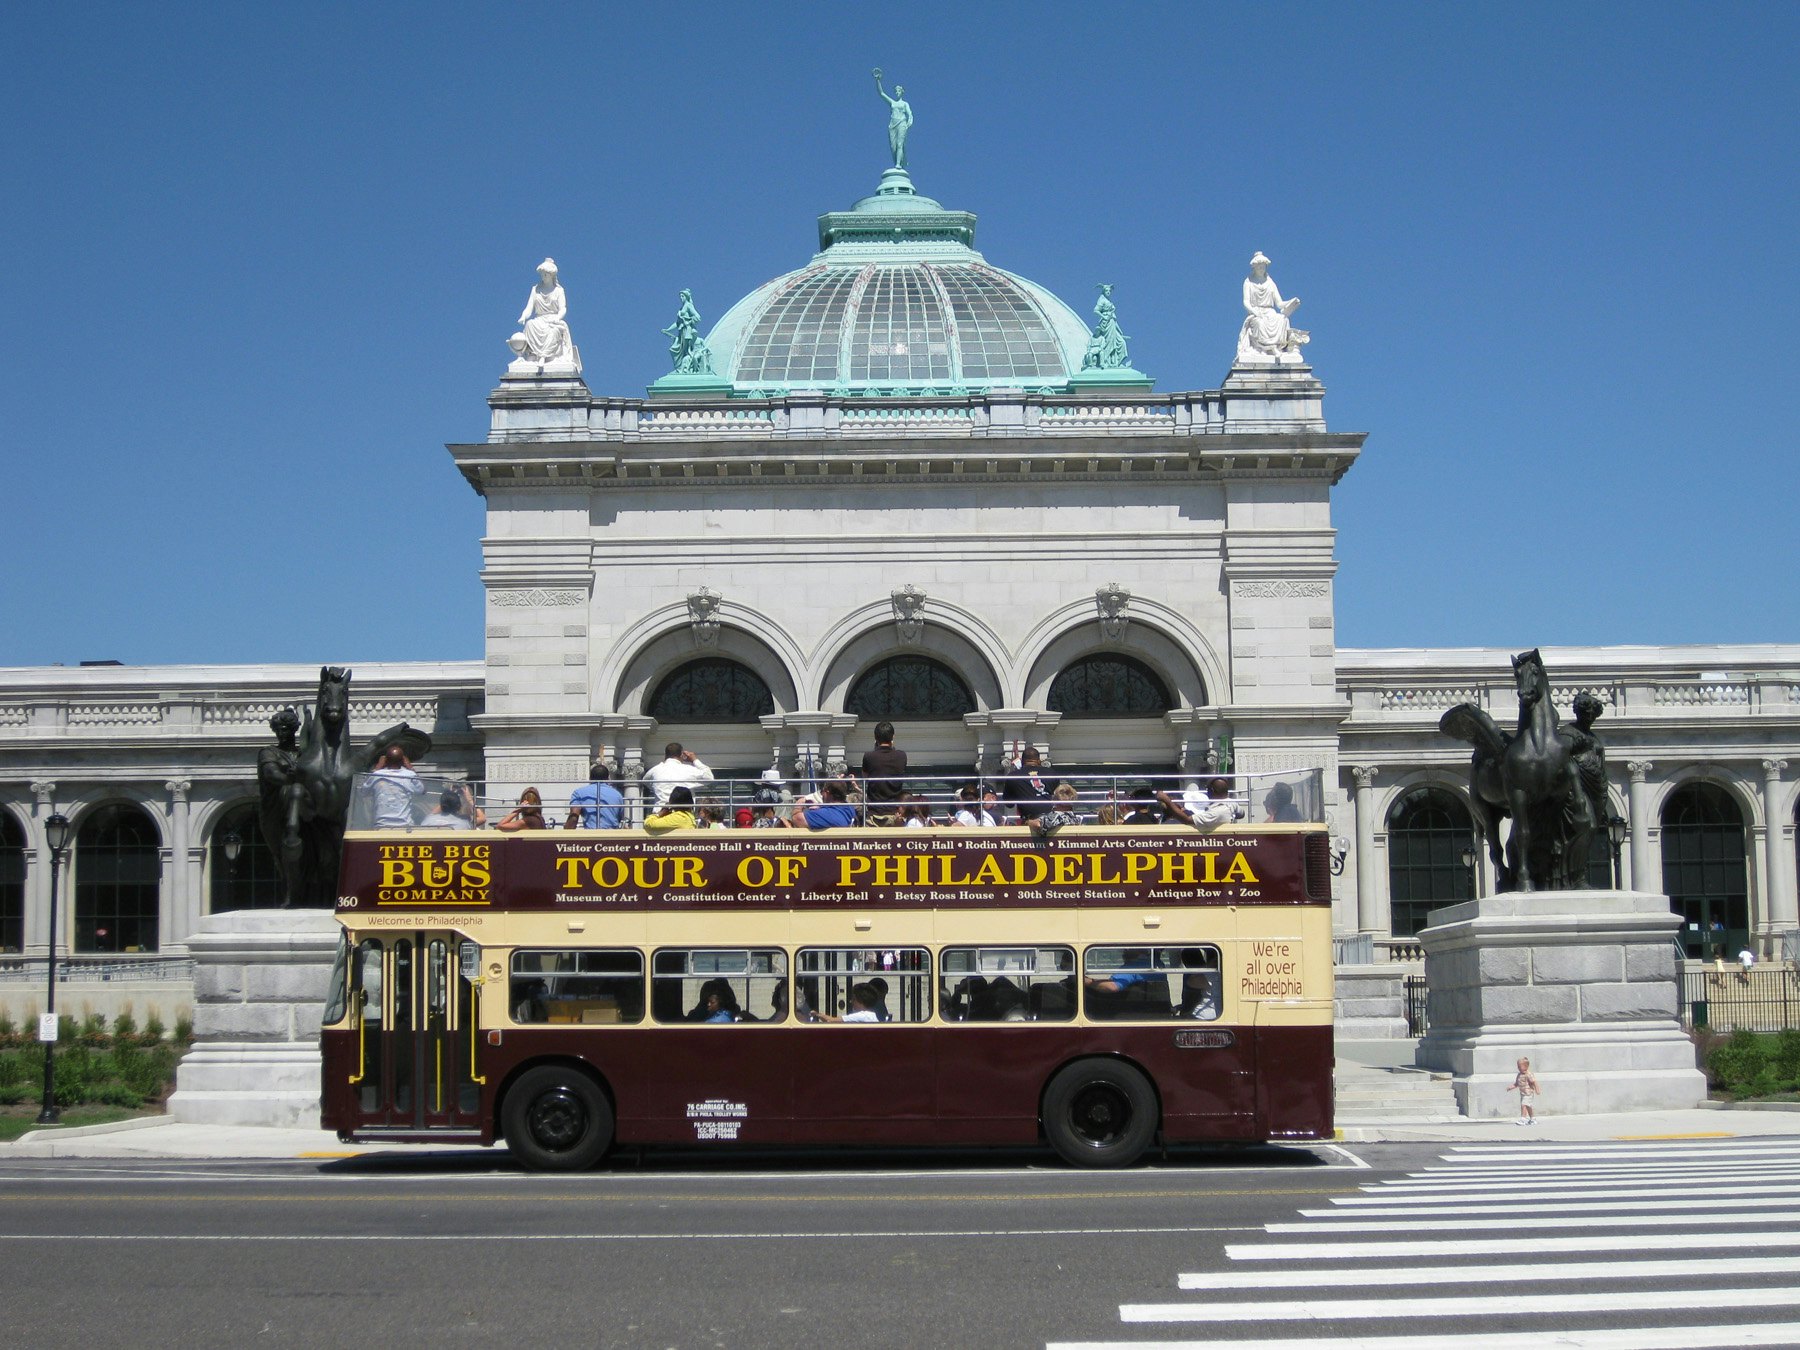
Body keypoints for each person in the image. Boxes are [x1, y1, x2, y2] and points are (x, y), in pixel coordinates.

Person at [1236, 252, 1308, 364]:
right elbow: (1246, 302)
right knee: (1259, 323)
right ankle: (1271, 349)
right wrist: (1254, 311)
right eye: (1259, 267)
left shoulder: (1270, 282)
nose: (1261, 269)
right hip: (1256, 312)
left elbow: (1279, 303)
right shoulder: (1248, 282)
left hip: (1270, 311)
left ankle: (1273, 348)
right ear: (1254, 268)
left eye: (1263, 267)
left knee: (1282, 319)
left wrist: (1291, 302)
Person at [508, 258, 578, 368]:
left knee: (554, 331)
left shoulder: (559, 291)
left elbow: (563, 308)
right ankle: (533, 356)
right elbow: (529, 308)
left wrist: (558, 317)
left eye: (546, 274)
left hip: (553, 319)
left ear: (552, 275)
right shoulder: (535, 289)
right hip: (539, 319)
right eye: (542, 274)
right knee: (530, 325)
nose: (543, 277)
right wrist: (523, 316)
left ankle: (544, 357)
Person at [367, 744, 424, 829]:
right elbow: (422, 790)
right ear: (402, 761)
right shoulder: (409, 775)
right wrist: (410, 767)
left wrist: (377, 767)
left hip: (382, 825)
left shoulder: (376, 775)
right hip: (405, 825)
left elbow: (364, 790)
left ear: (385, 761)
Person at [862, 721, 908, 825]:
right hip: (895, 814)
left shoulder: (869, 756)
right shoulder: (901, 756)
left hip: (873, 813)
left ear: (875, 737)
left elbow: (865, 777)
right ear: (893, 737)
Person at [1002, 744, 1062, 823]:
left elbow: (1009, 804)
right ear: (1039, 760)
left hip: (1029, 821)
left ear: (1022, 761)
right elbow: (1059, 797)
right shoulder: (1051, 773)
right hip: (1050, 820)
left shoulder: (1014, 776)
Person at [643, 742, 713, 807]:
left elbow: (645, 781)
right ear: (682, 754)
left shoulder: (655, 770)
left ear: (665, 754)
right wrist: (694, 760)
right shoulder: (689, 770)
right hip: (682, 814)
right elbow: (709, 777)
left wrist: (657, 787)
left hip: (660, 813)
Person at [566, 762, 624, 829]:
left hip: (591, 835)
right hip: (612, 835)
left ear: (590, 778)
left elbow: (573, 818)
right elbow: (619, 818)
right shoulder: (617, 795)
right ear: (608, 779)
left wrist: (565, 834)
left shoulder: (579, 793)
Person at [791, 781, 857, 830]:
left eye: (822, 791)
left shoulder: (827, 814)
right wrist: (821, 807)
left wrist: (801, 802)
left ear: (827, 793)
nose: (821, 795)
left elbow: (797, 819)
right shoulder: (849, 808)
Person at [1511, 1056, 1540, 1124]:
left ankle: (1523, 1119)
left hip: (1529, 1093)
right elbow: (1516, 1083)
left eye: (1519, 1066)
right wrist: (1511, 1087)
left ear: (1526, 1066)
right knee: (1528, 1106)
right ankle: (1532, 1118)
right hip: (1523, 1093)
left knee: (1523, 1105)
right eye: (1518, 1066)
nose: (1518, 1068)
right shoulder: (1519, 1075)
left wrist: (1537, 1090)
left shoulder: (1528, 1074)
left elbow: (1534, 1082)